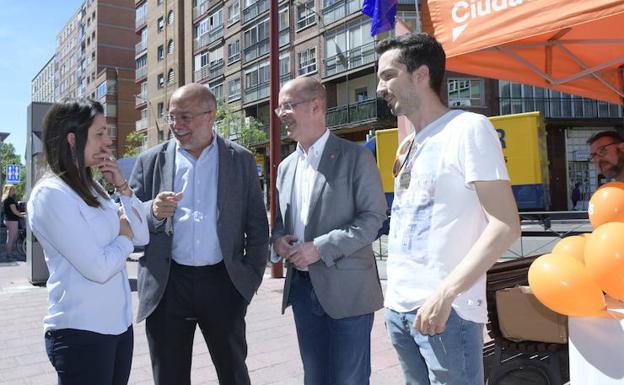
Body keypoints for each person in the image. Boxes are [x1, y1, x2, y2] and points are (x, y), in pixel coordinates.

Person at [375, 32, 521, 385]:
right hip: (400, 309)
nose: (380, 88)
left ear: (421, 75)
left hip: (447, 311)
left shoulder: (468, 128)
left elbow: (505, 226)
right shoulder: (408, 143)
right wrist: (393, 302)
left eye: (388, 75)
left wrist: (446, 293)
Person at [129, 83, 269, 385]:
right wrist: (153, 212)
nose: (176, 126)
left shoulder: (240, 159)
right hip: (167, 284)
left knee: (233, 372)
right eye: (172, 117)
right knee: (169, 375)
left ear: (210, 115)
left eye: (185, 117)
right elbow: (130, 221)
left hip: (223, 282)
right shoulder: (151, 160)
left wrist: (248, 280)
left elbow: (257, 225)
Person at [271, 77, 387, 385]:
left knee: (350, 379)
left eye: (287, 106)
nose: (281, 113)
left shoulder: (355, 156)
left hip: (348, 291)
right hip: (302, 290)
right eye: (278, 107)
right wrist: (279, 241)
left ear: (316, 106)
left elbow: (373, 217)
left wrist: (320, 247)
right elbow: (282, 224)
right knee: (315, 378)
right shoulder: (285, 167)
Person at [27, 99, 149, 385]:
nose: (108, 140)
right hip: (81, 333)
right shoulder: (51, 195)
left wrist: (122, 186)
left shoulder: (95, 188)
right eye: (99, 133)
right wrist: (123, 236)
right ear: (72, 138)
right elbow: (97, 267)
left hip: (117, 328)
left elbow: (142, 235)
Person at [2, 184, 25, 258]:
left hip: (9, 220)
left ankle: (9, 252)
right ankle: (9, 254)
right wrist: (23, 216)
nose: (15, 191)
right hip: (12, 220)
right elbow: (14, 211)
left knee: (12, 237)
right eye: (13, 189)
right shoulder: (10, 200)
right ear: (9, 190)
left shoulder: (7, 199)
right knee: (12, 237)